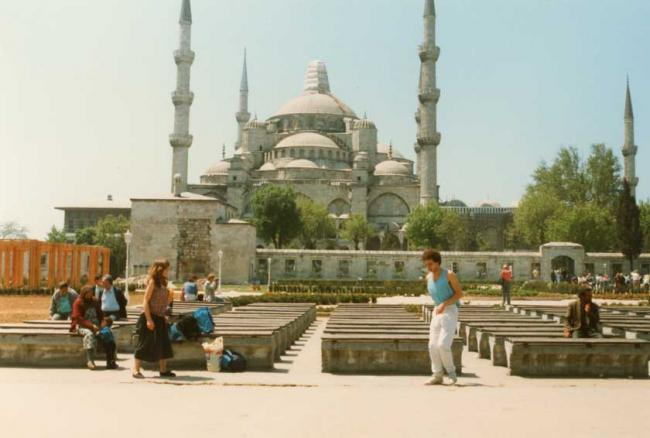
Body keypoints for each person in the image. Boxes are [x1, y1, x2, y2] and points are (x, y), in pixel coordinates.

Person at [422, 249, 463, 386]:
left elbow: (458, 294)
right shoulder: (428, 277)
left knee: (443, 345)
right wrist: (438, 307)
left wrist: (444, 304)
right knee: (432, 345)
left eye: (431, 264)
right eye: (426, 265)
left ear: (438, 263)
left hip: (450, 310)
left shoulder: (450, 275)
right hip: (437, 311)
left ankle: (451, 374)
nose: (428, 267)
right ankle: (437, 375)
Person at [132, 259, 175, 379]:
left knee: (163, 344)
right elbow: (145, 300)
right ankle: (135, 369)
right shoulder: (153, 282)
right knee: (144, 343)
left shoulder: (165, 283)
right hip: (149, 316)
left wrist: (166, 311)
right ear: (161, 269)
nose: (168, 271)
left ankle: (163, 370)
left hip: (160, 316)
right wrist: (148, 319)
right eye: (167, 268)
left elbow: (164, 302)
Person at [70, 285, 118, 370]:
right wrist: (91, 326)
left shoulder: (94, 301)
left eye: (91, 293)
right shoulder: (78, 302)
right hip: (82, 326)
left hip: (96, 325)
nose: (89, 295)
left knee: (108, 334)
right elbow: (78, 318)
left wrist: (103, 322)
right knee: (89, 335)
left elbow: (100, 314)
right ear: (83, 294)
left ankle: (110, 361)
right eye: (87, 294)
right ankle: (90, 361)